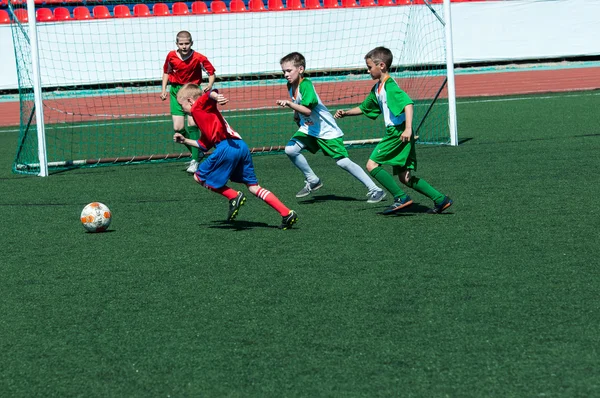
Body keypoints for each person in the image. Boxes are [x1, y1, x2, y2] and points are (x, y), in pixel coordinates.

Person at [334, 46, 453, 215]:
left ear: (381, 65)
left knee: (371, 164)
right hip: (400, 133)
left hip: (398, 132)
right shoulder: (378, 88)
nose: (368, 71)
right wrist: (346, 113)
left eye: (369, 67)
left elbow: (408, 104)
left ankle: (400, 198)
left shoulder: (390, 86)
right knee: (405, 177)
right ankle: (441, 200)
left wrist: (408, 129)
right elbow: (365, 107)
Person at [173, 83, 299, 230]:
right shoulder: (204, 116)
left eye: (181, 105)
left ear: (190, 100)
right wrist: (185, 140)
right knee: (253, 187)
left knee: (198, 177)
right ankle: (286, 212)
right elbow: (204, 145)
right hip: (241, 146)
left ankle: (233, 195)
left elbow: (209, 95)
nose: (181, 109)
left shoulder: (198, 107)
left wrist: (215, 96)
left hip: (227, 147)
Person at [276, 52, 386, 203]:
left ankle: (375, 189)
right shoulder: (290, 85)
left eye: (289, 71)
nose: (286, 74)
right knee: (290, 149)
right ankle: (313, 180)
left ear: (300, 69)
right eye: (283, 71)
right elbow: (298, 103)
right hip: (309, 129)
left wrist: (290, 105)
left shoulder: (306, 85)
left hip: (326, 131)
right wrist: (295, 113)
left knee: (342, 162)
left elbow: (307, 109)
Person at [161, 31, 216, 174]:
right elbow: (166, 72)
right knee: (178, 128)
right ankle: (198, 152)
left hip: (192, 91)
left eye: (187, 43)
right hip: (176, 91)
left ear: (191, 43)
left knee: (192, 124)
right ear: (176, 44)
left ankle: (195, 160)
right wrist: (163, 89)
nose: (184, 46)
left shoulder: (199, 58)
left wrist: (209, 84)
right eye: (181, 44)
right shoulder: (171, 56)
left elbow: (211, 72)